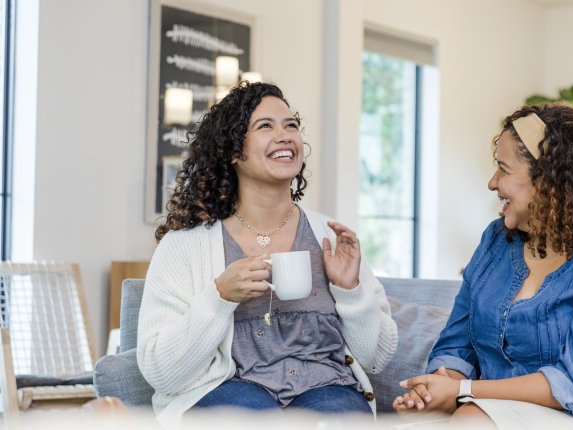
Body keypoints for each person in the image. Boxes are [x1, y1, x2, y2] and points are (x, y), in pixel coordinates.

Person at [393, 103, 573, 429]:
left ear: (550, 181)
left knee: (471, 420)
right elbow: (457, 343)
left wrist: (462, 391)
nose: (492, 182)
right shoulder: (496, 240)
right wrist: (437, 386)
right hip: (497, 407)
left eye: (503, 169)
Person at [137, 82, 397, 426]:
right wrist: (219, 297)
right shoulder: (185, 246)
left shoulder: (331, 238)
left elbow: (376, 359)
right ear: (233, 151)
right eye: (265, 126)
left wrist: (351, 292)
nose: (285, 135)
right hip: (229, 389)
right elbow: (161, 372)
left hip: (327, 387)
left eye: (291, 125)